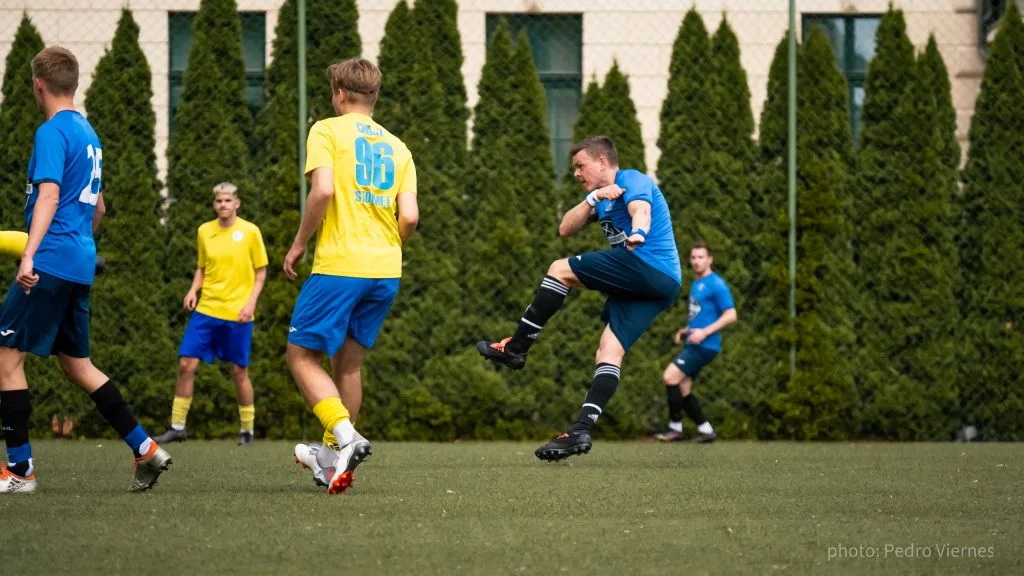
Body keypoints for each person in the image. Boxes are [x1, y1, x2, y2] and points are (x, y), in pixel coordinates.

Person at [0, 46, 170, 494]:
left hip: (51, 260)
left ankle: (20, 473)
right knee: (78, 366)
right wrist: (80, 241)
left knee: (5, 358)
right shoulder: (88, 132)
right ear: (73, 84)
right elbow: (99, 206)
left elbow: (50, 195)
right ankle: (146, 448)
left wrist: (30, 253)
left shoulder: (52, 131)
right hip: (78, 261)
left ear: (38, 84)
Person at [477, 135, 681, 461]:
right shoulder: (601, 197)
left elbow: (640, 208)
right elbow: (565, 228)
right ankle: (580, 430)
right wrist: (595, 196)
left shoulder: (631, 179)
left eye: (580, 165)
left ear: (602, 161)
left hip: (646, 265)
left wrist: (639, 231)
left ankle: (516, 348)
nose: (575, 173)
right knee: (608, 351)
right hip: (661, 286)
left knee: (560, 269)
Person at [284, 58, 418, 494]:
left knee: (302, 357)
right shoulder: (399, 147)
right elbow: (411, 217)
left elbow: (322, 190)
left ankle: (345, 436)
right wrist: (388, 247)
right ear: (374, 97)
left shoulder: (326, 129)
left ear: (340, 94)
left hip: (341, 265)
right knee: (350, 364)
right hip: (386, 269)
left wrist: (300, 243)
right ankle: (329, 457)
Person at [153, 183, 268, 446]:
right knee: (186, 365)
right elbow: (201, 268)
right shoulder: (204, 231)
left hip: (238, 312)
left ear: (237, 203)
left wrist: (250, 304)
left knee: (239, 372)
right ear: (214, 204)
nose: (223, 205)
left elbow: (260, 273)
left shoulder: (251, 232)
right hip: (206, 310)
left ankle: (247, 430)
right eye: (219, 201)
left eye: (228, 200)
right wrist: (193, 290)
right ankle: (177, 427)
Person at [654, 242, 736, 443]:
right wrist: (686, 331)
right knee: (683, 389)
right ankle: (706, 430)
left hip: (705, 345)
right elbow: (702, 316)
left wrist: (704, 333)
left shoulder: (716, 283)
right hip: (694, 343)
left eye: (701, 257)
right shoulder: (696, 284)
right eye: (693, 257)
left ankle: (675, 428)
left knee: (670, 377)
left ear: (710, 259)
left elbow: (731, 315)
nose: (697, 261)